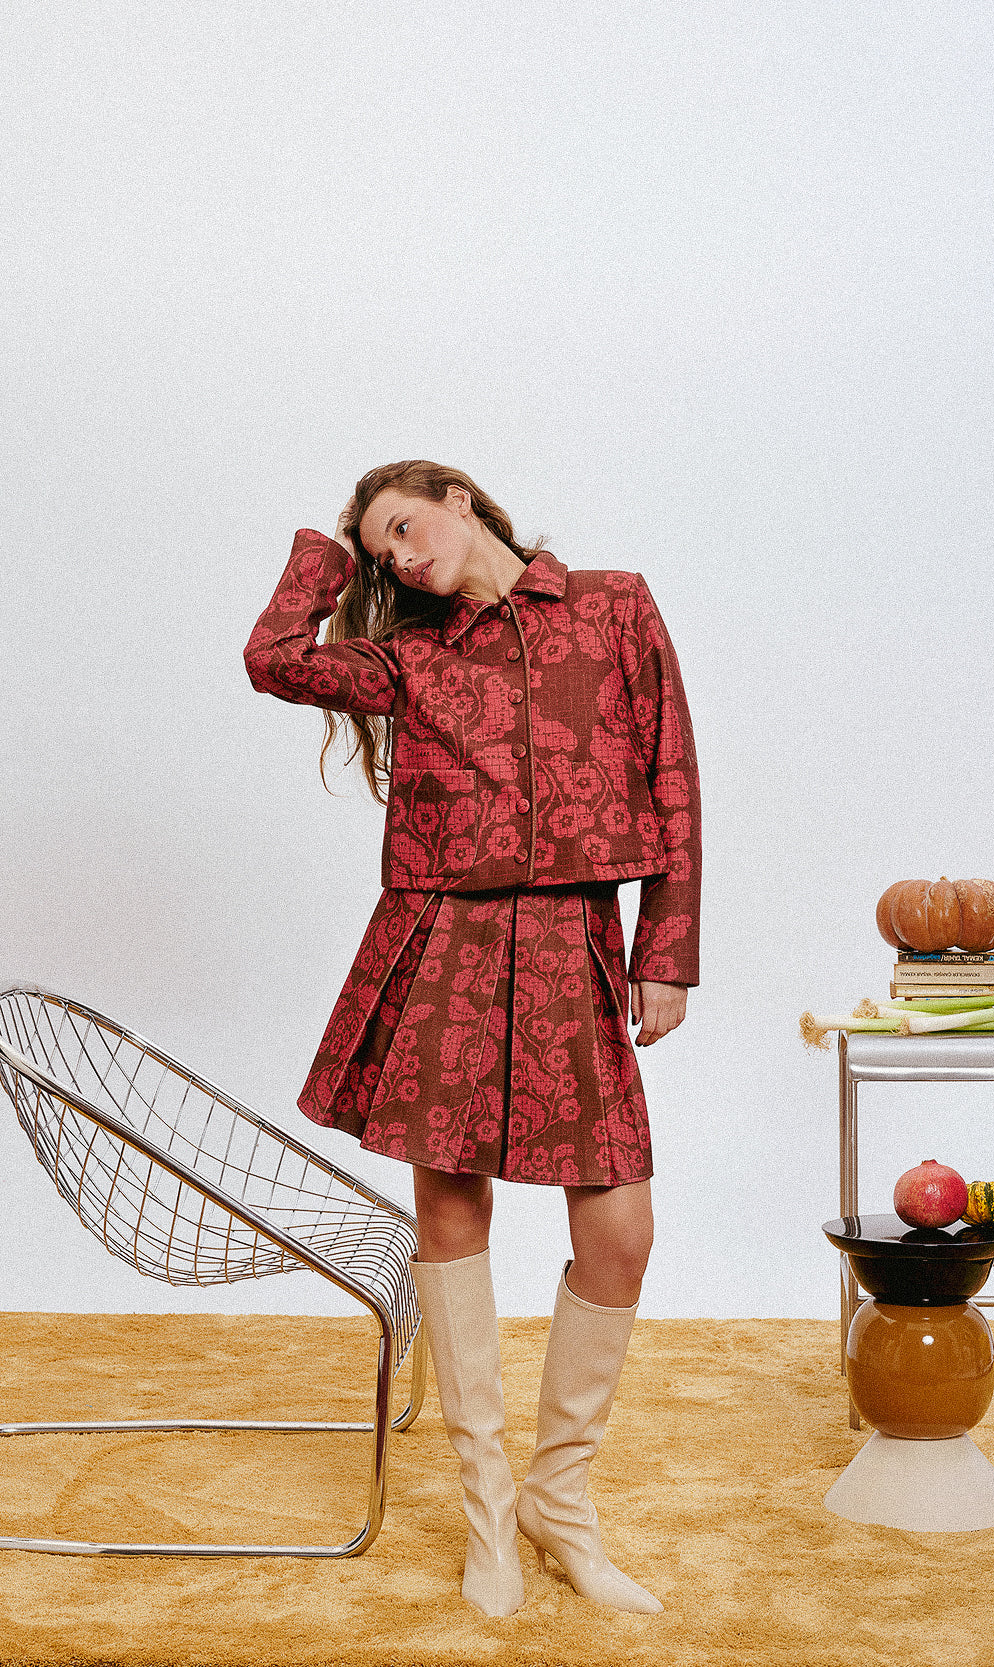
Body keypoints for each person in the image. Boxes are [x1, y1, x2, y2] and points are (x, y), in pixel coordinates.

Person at [244, 461, 700, 1616]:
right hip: (442, 934)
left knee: (620, 1230)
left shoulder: (613, 603)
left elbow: (673, 776)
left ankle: (560, 1499)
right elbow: (275, 660)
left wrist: (666, 947)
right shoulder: (407, 656)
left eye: (403, 527)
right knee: (452, 1212)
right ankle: (489, 1506)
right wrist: (328, 556)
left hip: (573, 938)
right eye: (382, 551)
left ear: (458, 498)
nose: (400, 557)